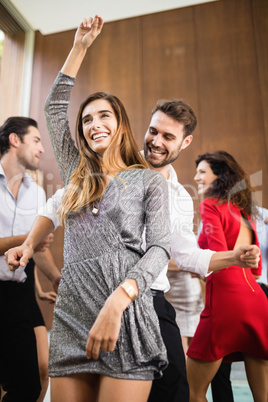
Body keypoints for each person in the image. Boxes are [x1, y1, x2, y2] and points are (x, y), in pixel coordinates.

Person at [6, 99, 261, 402]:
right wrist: (29, 243)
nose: (156, 141)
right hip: (91, 295)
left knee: (175, 387)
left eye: (168, 137)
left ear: (185, 141)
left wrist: (233, 257)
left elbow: (181, 253)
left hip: (150, 296)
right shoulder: (115, 164)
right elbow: (59, 201)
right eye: (153, 131)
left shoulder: (178, 196)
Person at [6, 16, 172, 402]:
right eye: (86, 120)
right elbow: (53, 107)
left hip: (125, 313)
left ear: (120, 124)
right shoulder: (76, 173)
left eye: (104, 116)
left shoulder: (148, 180)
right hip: (72, 314)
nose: (94, 125)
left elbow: (160, 248)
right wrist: (79, 46)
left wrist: (119, 301)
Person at [186, 151, 268, 402]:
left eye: (202, 172)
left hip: (224, 300)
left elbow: (219, 254)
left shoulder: (210, 205)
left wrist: (196, 265)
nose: (196, 177)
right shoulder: (244, 211)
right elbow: (255, 269)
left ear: (219, 175)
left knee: (194, 392)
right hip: (256, 298)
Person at [0, 116, 61, 402]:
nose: (41, 149)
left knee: (28, 385)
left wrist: (57, 278)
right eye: (36, 141)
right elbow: (30, 241)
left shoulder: (37, 194)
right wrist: (28, 238)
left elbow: (38, 248)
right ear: (15, 140)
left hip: (16, 296)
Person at [210, 205, 268, 402]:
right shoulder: (213, 214)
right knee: (218, 359)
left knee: (259, 358)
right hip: (230, 289)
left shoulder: (262, 215)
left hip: (259, 289)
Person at [25, 260, 57, 402]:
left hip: (27, 296)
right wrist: (28, 240)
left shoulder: (30, 238)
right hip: (7, 293)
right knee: (11, 373)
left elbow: (31, 258)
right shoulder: (26, 237)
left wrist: (38, 289)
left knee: (43, 367)